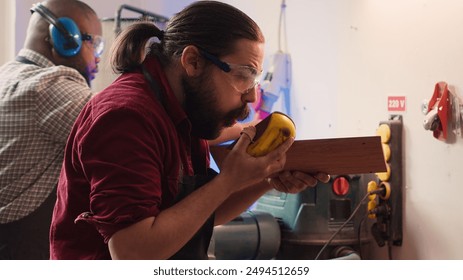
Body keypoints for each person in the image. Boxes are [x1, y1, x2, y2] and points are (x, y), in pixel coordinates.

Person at [49, 0, 329, 260]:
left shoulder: (187, 111)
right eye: (243, 76)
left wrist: (265, 179)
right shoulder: (126, 117)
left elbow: (202, 213)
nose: (252, 98)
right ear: (193, 61)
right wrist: (229, 179)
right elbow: (131, 252)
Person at [0, 0, 103, 259]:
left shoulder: (8, 75)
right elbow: (131, 128)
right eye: (95, 43)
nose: (98, 56)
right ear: (66, 38)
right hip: (22, 253)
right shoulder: (51, 86)